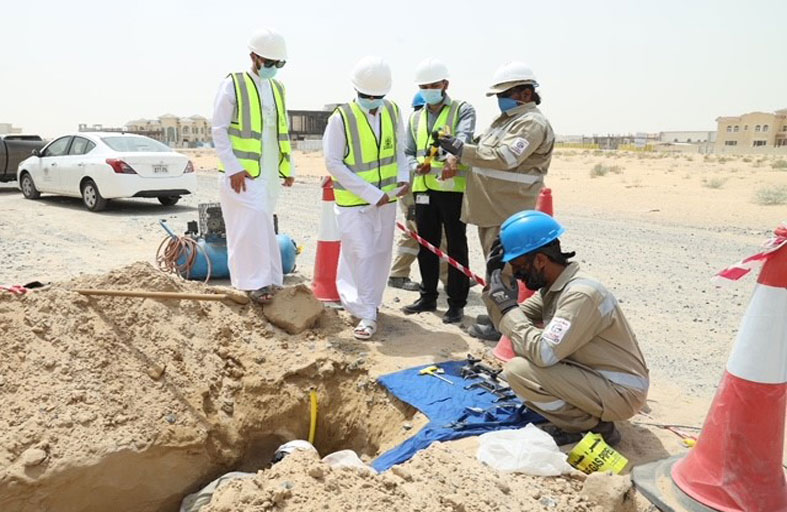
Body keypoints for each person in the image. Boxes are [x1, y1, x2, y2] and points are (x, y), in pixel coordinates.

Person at [481, 210, 649, 446]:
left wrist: (509, 308)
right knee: (523, 344)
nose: (517, 274)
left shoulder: (580, 295)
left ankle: (591, 427)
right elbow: (507, 325)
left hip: (621, 392)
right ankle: (583, 413)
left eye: (518, 266)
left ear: (540, 260)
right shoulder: (553, 289)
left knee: (519, 370)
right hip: (595, 378)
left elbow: (544, 353)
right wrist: (495, 287)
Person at [434, 62, 554, 336]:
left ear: (525, 93)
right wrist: (455, 158)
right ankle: (496, 315)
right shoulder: (506, 122)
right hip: (492, 207)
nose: (500, 100)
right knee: (495, 266)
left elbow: (505, 158)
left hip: (509, 209)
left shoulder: (531, 123)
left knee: (504, 271)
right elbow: (482, 154)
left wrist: (461, 149)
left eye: (505, 94)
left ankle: (503, 327)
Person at [322, 56, 410, 340]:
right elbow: (334, 163)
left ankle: (368, 303)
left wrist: (404, 176)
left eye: (378, 96)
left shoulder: (393, 111)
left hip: (387, 199)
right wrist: (371, 194)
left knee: (381, 254)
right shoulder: (341, 118)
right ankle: (366, 314)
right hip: (355, 202)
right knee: (361, 254)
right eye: (367, 95)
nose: (372, 100)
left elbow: (399, 150)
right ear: (356, 90)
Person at [212, 28, 295, 303]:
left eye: (278, 64)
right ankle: (254, 284)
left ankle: (270, 280)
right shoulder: (233, 84)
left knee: (264, 225)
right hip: (243, 172)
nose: (273, 68)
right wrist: (233, 166)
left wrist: (287, 168)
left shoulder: (277, 88)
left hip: (270, 170)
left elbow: (279, 131)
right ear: (254, 56)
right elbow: (219, 129)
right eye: (269, 63)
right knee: (248, 226)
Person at [402, 58, 476, 324]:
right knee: (427, 245)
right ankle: (428, 296)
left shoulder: (461, 110)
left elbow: (464, 137)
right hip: (423, 188)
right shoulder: (415, 117)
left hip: (451, 189)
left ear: (445, 84)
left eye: (433, 85)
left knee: (456, 245)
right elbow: (409, 151)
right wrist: (414, 165)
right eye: (423, 86)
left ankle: (456, 304)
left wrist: (454, 159)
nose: (428, 90)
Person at [388, 91, 426, 292]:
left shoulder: (411, 125)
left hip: (412, 189)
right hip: (412, 192)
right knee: (415, 230)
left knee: (415, 230)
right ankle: (398, 274)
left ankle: (398, 274)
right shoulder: (420, 124)